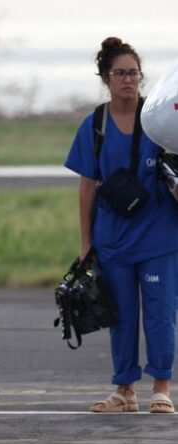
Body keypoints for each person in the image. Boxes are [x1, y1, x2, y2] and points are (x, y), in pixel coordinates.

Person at [64, 37, 178, 414]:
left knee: (161, 312)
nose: (128, 80)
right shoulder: (94, 125)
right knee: (122, 317)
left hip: (159, 238)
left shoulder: (161, 121)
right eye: (120, 73)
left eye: (134, 73)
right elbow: (85, 187)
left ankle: (161, 386)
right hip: (112, 241)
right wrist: (86, 241)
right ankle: (124, 389)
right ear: (105, 78)